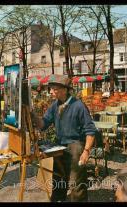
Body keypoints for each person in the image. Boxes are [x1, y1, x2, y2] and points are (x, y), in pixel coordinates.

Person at [31, 74, 97, 202]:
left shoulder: (78, 106)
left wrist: (86, 151)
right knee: (58, 178)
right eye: (51, 89)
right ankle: (58, 199)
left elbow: (91, 131)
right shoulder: (55, 105)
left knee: (76, 182)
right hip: (60, 145)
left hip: (75, 146)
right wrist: (32, 116)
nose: (51, 92)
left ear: (65, 89)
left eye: (54, 89)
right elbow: (44, 124)